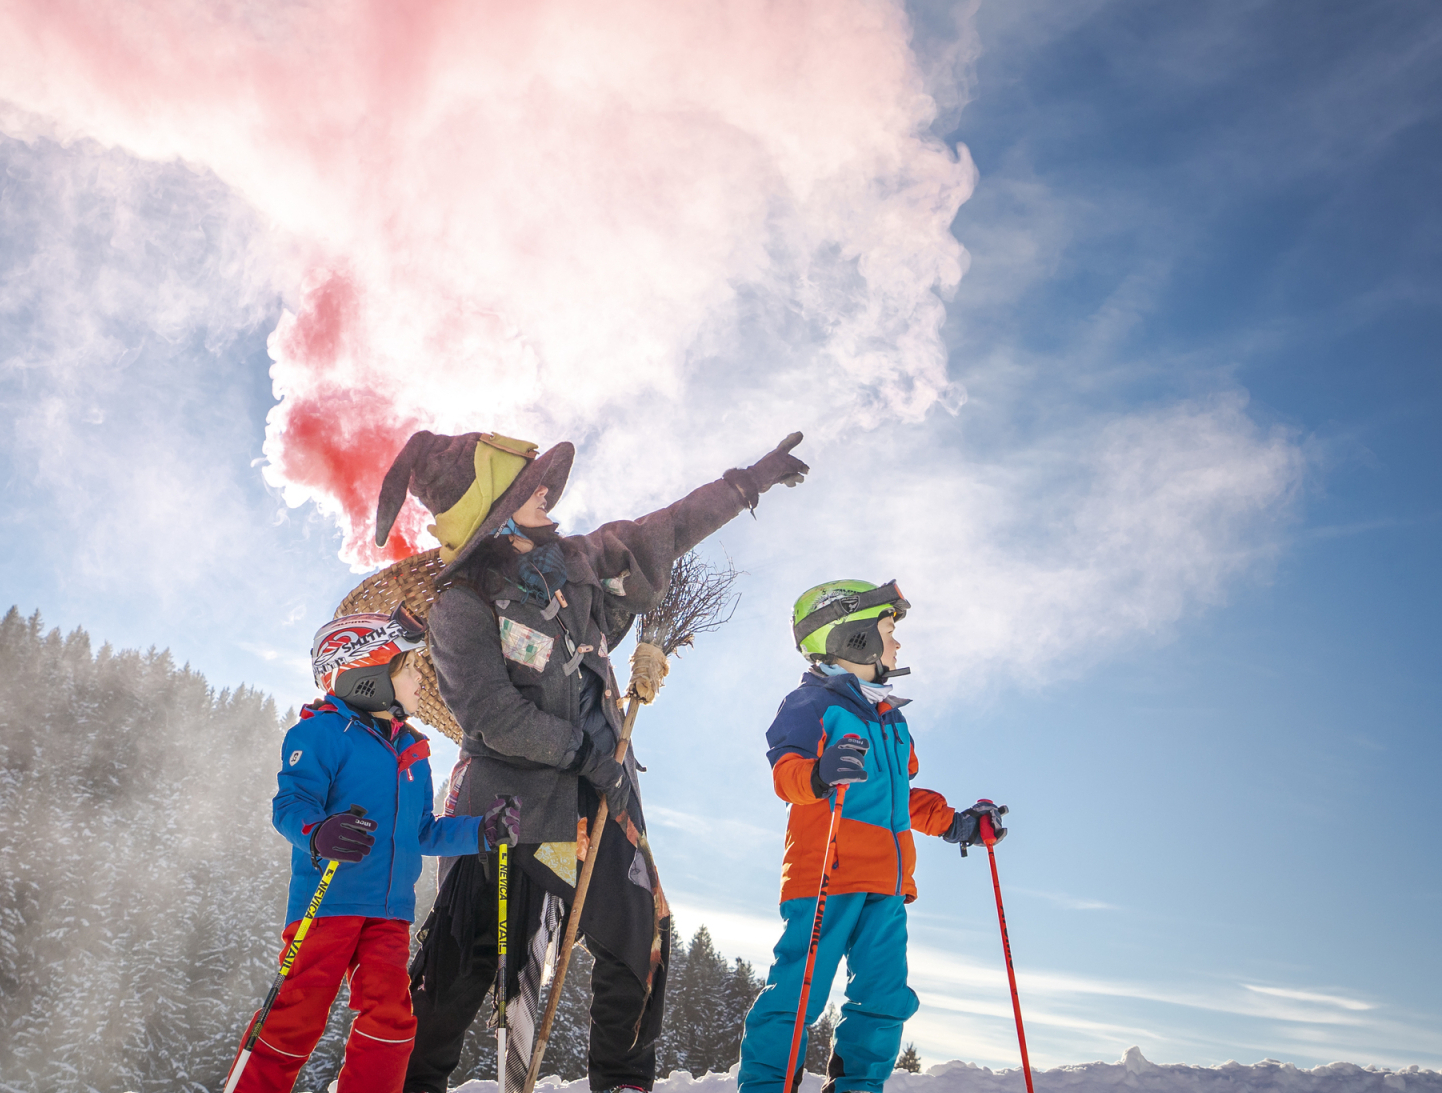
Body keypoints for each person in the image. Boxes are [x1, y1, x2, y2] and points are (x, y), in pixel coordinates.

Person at [377, 429, 813, 1093]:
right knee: (465, 970)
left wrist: (745, 483)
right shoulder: (461, 606)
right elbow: (493, 716)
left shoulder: (576, 566)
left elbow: (664, 529)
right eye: (529, 488)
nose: (547, 492)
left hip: (598, 805)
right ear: (495, 511)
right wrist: (584, 750)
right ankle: (410, 1083)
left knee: (645, 937)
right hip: (511, 815)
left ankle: (621, 1081)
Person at [735, 580, 1009, 1093]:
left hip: (888, 884)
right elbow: (786, 775)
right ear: (853, 637)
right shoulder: (812, 703)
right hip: (826, 876)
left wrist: (957, 823)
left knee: (885, 996)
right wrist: (819, 774)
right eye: (888, 630)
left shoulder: (891, 719)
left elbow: (898, 797)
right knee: (799, 993)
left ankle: (858, 1087)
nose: (897, 643)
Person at [237, 606, 523, 1093]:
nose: (421, 680)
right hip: (328, 906)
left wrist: (481, 831)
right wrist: (319, 831)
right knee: (296, 1016)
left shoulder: (412, 752)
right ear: (367, 673)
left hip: (390, 914)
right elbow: (290, 803)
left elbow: (423, 831)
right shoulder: (322, 733)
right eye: (411, 668)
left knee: (392, 1016)